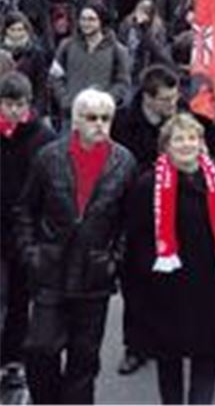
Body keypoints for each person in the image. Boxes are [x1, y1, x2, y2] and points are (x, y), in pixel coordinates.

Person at [15, 88, 136, 405]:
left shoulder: (123, 162)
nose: (99, 124)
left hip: (94, 275)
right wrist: (31, 252)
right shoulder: (49, 157)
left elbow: (129, 220)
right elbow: (26, 209)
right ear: (75, 120)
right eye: (91, 117)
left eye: (105, 118)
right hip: (50, 268)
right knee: (40, 349)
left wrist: (114, 260)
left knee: (84, 360)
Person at [124, 113, 215, 405]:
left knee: (206, 356)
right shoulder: (148, 184)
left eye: (192, 138)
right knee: (169, 359)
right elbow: (136, 235)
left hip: (210, 284)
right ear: (166, 146)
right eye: (179, 139)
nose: (187, 144)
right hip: (167, 286)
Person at [110, 64, 181, 375]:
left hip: (174, 210)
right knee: (135, 282)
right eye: (166, 99)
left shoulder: (181, 118)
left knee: (171, 281)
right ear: (149, 99)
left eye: (175, 98)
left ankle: (168, 338)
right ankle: (135, 346)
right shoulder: (124, 121)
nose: (172, 105)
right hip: (135, 214)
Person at [0, 73, 55, 392]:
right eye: (8, 104)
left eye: (19, 105)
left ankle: (12, 359)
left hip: (25, 230)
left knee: (20, 297)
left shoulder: (42, 138)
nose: (14, 112)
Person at [51, 2, 131, 121]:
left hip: (101, 117)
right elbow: (55, 76)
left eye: (91, 19)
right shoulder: (66, 45)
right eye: (83, 19)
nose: (86, 23)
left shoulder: (118, 50)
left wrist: (104, 101)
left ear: (101, 21)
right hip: (71, 115)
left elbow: (122, 82)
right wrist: (65, 99)